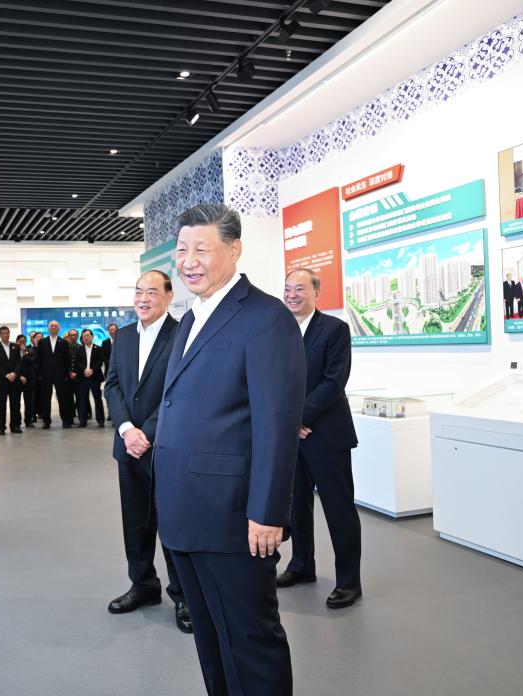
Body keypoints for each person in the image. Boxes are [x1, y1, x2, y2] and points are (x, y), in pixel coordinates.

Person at [155, 203, 305, 696]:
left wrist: (268, 512)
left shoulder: (265, 318)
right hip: (185, 512)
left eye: (202, 248)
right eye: (182, 250)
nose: (189, 260)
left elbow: (277, 423)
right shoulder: (190, 317)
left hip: (234, 517)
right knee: (212, 640)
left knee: (249, 640)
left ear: (235, 249)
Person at [104, 270, 189, 633]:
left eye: (151, 292)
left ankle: (183, 596)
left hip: (166, 448)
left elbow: (180, 390)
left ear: (169, 297)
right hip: (129, 448)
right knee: (135, 523)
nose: (143, 299)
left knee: (172, 524)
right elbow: (112, 385)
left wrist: (147, 433)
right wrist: (126, 430)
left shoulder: (183, 333)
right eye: (138, 291)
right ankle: (143, 584)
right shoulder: (122, 336)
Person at [277, 269, 363, 609]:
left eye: (300, 288)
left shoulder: (334, 329)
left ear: (316, 292)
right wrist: (287, 423)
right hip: (291, 437)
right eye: (287, 289)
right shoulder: (278, 330)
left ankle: (349, 581)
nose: (292, 295)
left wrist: (298, 419)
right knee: (297, 506)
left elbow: (333, 382)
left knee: (338, 509)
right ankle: (301, 565)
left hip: (327, 434)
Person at [36, 320, 72, 429]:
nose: (53, 327)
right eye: (51, 326)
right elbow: (39, 359)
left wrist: (66, 374)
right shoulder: (42, 342)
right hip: (46, 375)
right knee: (46, 399)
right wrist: (40, 374)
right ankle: (46, 421)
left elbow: (67, 359)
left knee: (62, 398)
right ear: (48, 328)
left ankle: (65, 420)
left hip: (60, 375)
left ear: (58, 328)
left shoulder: (64, 342)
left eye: (56, 326)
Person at [0, 326, 22, 435]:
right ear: (0, 334)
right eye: (3, 333)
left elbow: (19, 362)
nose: (6, 335)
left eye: (7, 333)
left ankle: (15, 426)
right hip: (2, 380)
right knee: (1, 405)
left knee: (15, 404)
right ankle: (1, 427)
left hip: (15, 380)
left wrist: (15, 373)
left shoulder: (16, 347)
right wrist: (6, 374)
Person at [74, 329, 105, 427]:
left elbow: (100, 361)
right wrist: (84, 370)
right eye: (84, 336)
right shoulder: (78, 350)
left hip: (95, 377)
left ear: (92, 337)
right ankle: (82, 421)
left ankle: (100, 420)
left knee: (97, 399)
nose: (86, 338)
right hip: (82, 378)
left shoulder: (98, 348)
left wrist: (92, 370)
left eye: (88, 335)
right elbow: (77, 363)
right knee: (82, 399)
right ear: (82, 338)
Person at [17, 333, 37, 428]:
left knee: (28, 402)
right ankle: (17, 422)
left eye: (24, 342)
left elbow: (32, 362)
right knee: (16, 403)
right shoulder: (13, 352)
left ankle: (28, 421)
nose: (22, 343)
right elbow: (13, 366)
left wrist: (25, 353)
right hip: (17, 379)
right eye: (20, 342)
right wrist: (20, 376)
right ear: (17, 342)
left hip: (29, 380)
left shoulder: (30, 351)